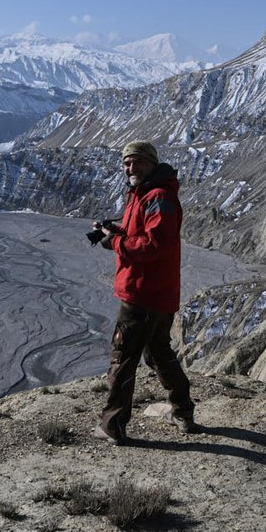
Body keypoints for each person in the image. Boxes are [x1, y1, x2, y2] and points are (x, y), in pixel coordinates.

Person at [90, 140, 198, 444]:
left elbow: (154, 245)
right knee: (159, 353)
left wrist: (116, 243)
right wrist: (117, 231)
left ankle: (112, 425)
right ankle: (183, 412)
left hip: (142, 293)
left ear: (151, 163)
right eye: (126, 163)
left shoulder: (158, 197)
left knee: (123, 356)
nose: (131, 168)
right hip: (158, 293)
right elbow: (145, 235)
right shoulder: (146, 194)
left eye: (137, 162)